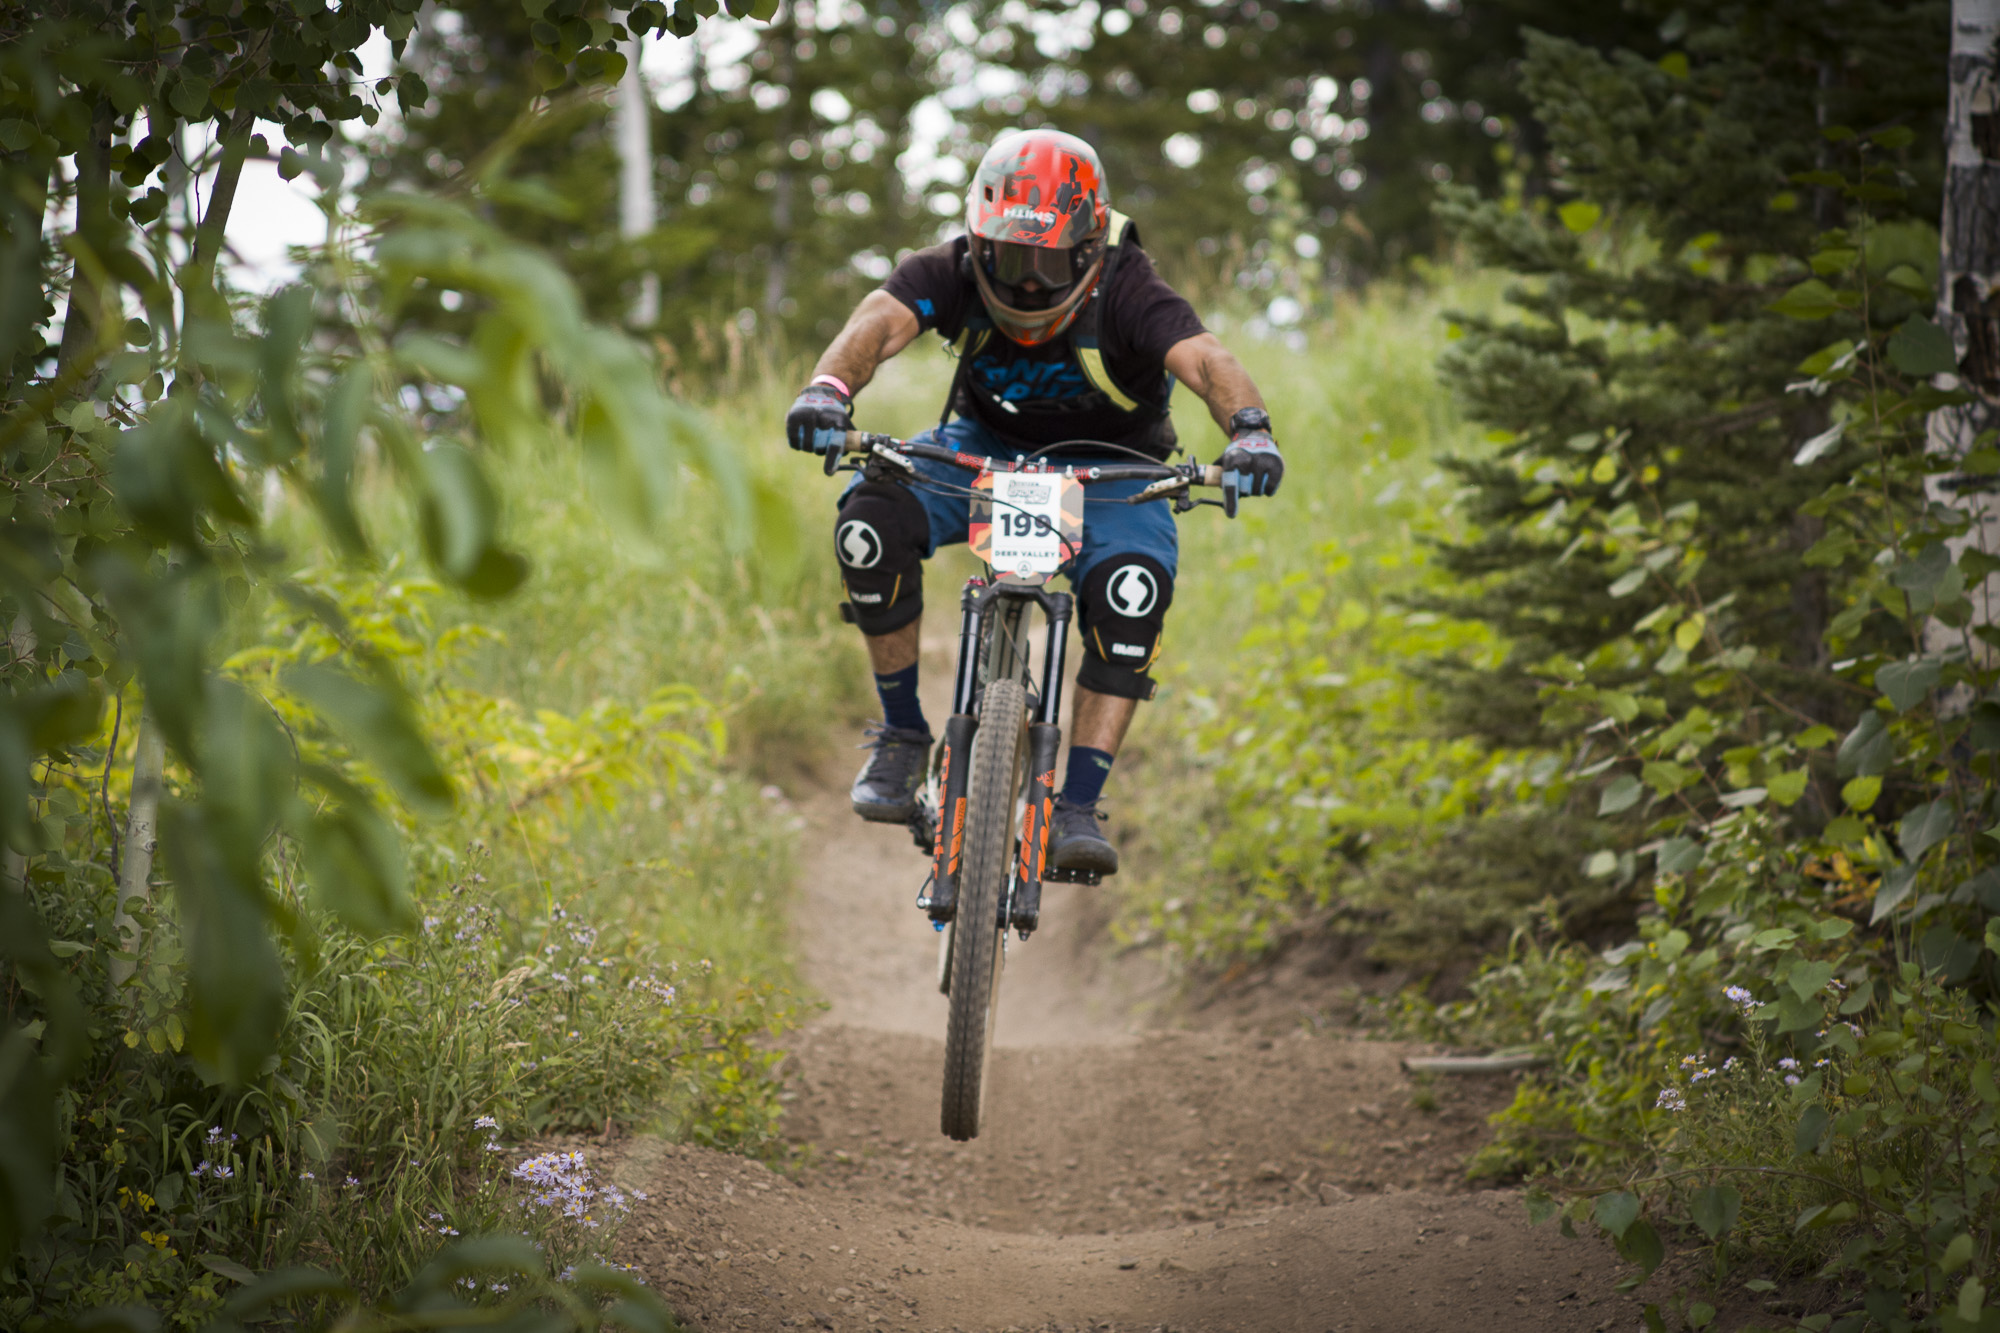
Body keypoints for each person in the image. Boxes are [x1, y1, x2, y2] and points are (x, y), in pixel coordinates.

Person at [784, 127, 1282, 876]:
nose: (1024, 284)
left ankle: (1076, 803)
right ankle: (902, 734)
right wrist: (828, 391)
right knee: (868, 525)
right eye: (1010, 259)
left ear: (1087, 250)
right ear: (981, 241)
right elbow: (876, 324)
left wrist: (1249, 431)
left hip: (1115, 471)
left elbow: (1208, 362)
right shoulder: (950, 267)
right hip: (978, 451)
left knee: (1132, 593)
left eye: (1045, 262)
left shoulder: (1129, 286)